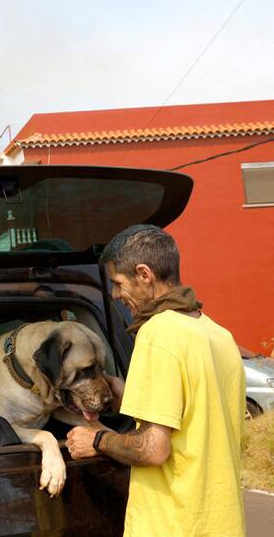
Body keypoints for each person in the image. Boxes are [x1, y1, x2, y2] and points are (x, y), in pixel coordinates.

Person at [66, 225, 245, 536]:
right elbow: (197, 416)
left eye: (118, 283)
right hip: (222, 523)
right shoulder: (217, 334)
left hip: (173, 525)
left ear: (144, 274)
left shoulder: (157, 333)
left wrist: (96, 440)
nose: (115, 294)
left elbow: (152, 449)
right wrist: (129, 394)